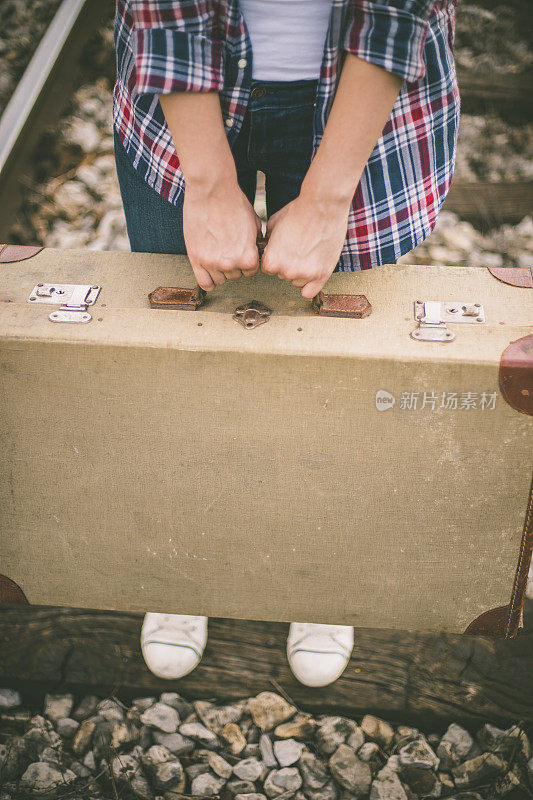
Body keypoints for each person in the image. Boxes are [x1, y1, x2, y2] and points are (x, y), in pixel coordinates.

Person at [113, 0, 460, 686]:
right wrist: (207, 182)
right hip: (178, 96)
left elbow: (397, 11)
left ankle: (320, 567)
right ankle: (184, 561)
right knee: (176, 353)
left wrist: (330, 201)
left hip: (367, 103)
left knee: (342, 367)